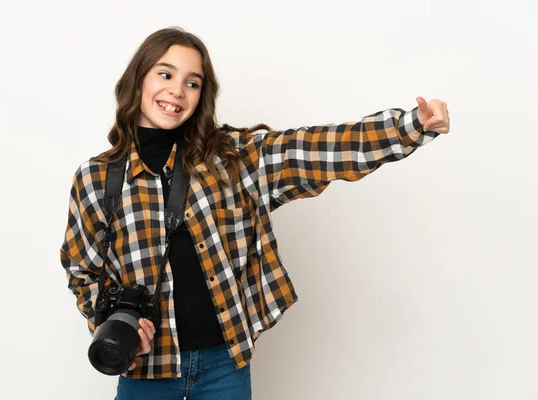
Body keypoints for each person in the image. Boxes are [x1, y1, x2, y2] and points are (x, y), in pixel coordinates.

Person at [59, 27, 450, 400]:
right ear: (139, 79)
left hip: (223, 365)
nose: (177, 91)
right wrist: (113, 323)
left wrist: (409, 127)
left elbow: (314, 150)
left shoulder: (232, 158)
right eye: (165, 74)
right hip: (144, 370)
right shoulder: (97, 179)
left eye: (192, 82)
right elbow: (81, 271)